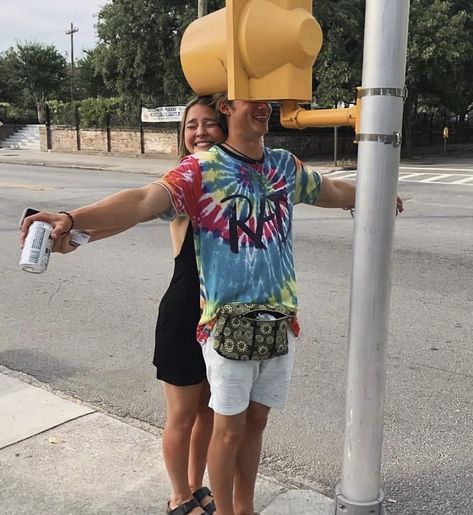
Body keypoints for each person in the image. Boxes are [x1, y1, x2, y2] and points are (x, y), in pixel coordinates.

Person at [21, 95, 403, 515]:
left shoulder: (282, 165)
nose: (262, 107)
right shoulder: (197, 172)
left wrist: (371, 196)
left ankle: (239, 506)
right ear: (228, 107)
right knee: (215, 424)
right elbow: (142, 202)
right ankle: (193, 498)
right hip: (221, 322)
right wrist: (74, 220)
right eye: (248, 100)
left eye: (265, 100)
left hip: (278, 319)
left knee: (249, 421)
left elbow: (326, 189)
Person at [56, 96, 226, 515]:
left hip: (223, 316)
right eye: (191, 125)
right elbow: (133, 209)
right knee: (183, 415)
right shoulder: (182, 183)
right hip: (185, 313)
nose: (200, 131)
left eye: (209, 123)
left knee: (208, 412)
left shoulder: (232, 181)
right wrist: (79, 232)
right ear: (182, 137)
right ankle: (178, 494)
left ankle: (196, 484)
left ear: (225, 128)